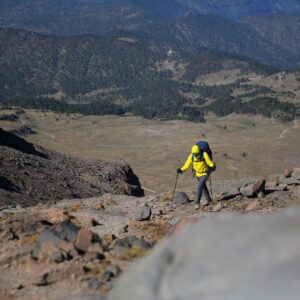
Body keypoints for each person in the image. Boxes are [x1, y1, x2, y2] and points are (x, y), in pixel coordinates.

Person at [177, 144, 216, 210]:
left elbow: (209, 163)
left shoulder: (204, 154)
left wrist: (212, 166)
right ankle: (208, 199)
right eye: (194, 154)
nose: (196, 155)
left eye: (197, 154)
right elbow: (187, 165)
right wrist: (181, 169)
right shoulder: (191, 156)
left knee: (199, 187)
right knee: (203, 187)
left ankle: (196, 203)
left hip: (205, 173)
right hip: (197, 174)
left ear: (199, 151)